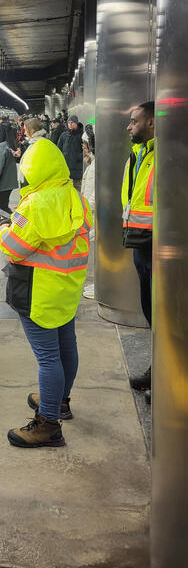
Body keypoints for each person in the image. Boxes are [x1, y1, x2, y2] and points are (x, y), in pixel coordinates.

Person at [0, 137, 91, 447]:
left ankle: (48, 423)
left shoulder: (31, 205)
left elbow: (14, 249)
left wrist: (1, 229)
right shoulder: (77, 199)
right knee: (66, 348)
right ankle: (60, 402)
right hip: (68, 288)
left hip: (38, 292)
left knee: (48, 359)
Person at [122, 102, 155, 396]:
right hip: (140, 242)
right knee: (150, 310)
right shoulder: (138, 155)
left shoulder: (165, 155)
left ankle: (165, 376)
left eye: (134, 121)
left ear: (152, 123)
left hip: (162, 245)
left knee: (165, 313)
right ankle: (158, 368)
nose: (129, 127)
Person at [0, 118, 18, 227]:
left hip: (2, 184)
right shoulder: (10, 143)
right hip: (9, 182)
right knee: (4, 206)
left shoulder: (1, 146)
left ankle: (7, 226)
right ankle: (15, 223)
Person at [57, 114, 84, 191]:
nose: (70, 124)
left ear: (76, 123)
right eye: (69, 122)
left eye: (72, 122)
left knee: (77, 188)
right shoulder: (64, 135)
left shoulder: (81, 135)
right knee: (66, 188)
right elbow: (59, 148)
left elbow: (85, 150)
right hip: (66, 165)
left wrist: (78, 157)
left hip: (77, 166)